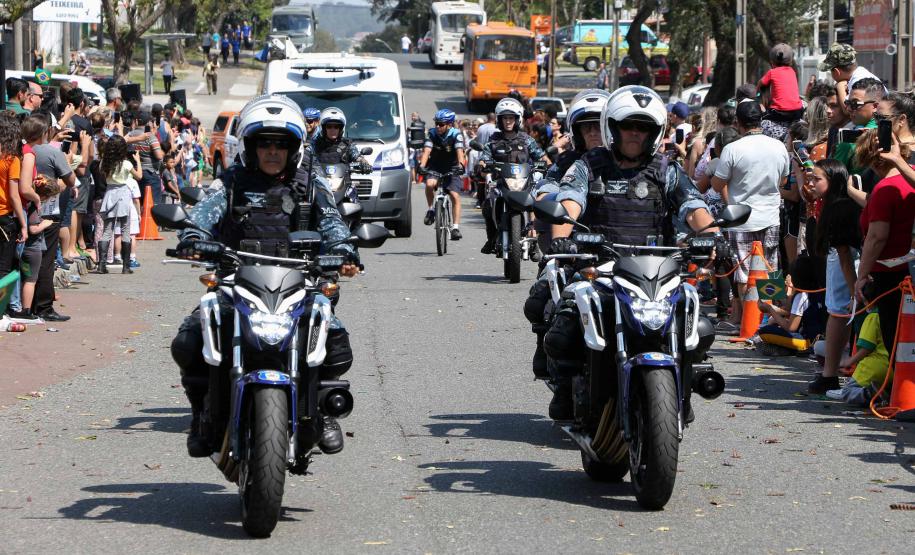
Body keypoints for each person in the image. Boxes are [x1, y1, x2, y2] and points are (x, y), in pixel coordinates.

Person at [170, 94, 358, 457]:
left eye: (281, 144)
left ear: (294, 148)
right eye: (264, 144)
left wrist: (344, 251)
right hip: (235, 281)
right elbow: (201, 217)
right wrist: (193, 238)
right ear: (250, 147)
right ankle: (201, 414)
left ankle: (322, 410)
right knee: (189, 340)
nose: (272, 151)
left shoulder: (311, 184)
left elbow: (334, 224)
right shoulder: (231, 183)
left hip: (300, 281)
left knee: (334, 338)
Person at [526, 86, 718, 419]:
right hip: (600, 266)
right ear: (613, 127)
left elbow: (693, 205)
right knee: (567, 319)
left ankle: (681, 390)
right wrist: (561, 239)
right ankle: (568, 385)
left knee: (696, 321)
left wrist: (713, 237)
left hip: (657, 268)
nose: (634, 132)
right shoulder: (588, 166)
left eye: (642, 127)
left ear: (654, 133)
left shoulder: (666, 170)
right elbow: (570, 203)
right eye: (628, 125)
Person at [711, 100, 790, 329]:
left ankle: (751, 323)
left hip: (741, 219)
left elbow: (717, 185)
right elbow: (783, 181)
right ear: (761, 121)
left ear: (738, 123)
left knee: (745, 273)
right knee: (771, 269)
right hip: (771, 216)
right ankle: (769, 320)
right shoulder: (778, 147)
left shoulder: (732, 149)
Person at [854, 130, 915, 381]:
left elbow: (877, 237)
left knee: (894, 334)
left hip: (890, 274)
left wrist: (862, 274)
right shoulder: (907, 180)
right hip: (905, 271)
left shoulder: (884, 189)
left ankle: (900, 393)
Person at [478, 97, 547, 254]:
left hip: (524, 183)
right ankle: (492, 238)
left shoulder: (527, 140)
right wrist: (483, 166)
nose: (508, 121)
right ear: (499, 120)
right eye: (504, 118)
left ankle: (534, 239)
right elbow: (484, 159)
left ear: (517, 119)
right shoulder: (493, 141)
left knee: (535, 204)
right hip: (501, 183)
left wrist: (546, 165)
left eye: (511, 118)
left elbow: (541, 157)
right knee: (488, 206)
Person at [28, 112, 77, 322]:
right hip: (48, 211)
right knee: (46, 260)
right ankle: (44, 306)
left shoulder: (23, 151)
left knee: (26, 259)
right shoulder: (51, 153)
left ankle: (24, 304)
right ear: (47, 130)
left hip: (24, 210)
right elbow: (71, 179)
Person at [755, 256, 827, 356]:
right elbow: (790, 312)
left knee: (764, 331)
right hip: (818, 337)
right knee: (774, 323)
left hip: (805, 340)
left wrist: (770, 309)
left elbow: (791, 327)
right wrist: (790, 291)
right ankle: (786, 349)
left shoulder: (801, 296)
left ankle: (792, 349)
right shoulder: (819, 291)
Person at [97, 137, 143, 274]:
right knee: (125, 229)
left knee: (107, 230)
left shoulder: (104, 163)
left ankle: (101, 264)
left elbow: (103, 175)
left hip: (110, 193)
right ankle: (126, 266)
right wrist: (138, 162)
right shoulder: (126, 164)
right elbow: (139, 176)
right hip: (123, 194)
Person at [826, 308, 890, 406]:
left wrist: (848, 362)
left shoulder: (873, 317)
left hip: (874, 367)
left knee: (847, 392)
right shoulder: (898, 314)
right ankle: (885, 394)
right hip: (894, 368)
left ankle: (871, 394)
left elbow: (867, 347)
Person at [306, 106, 373, 196]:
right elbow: (305, 155)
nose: (333, 130)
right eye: (329, 126)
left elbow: (357, 156)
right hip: (319, 187)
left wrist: (364, 163)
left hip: (344, 187)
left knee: (355, 204)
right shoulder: (315, 144)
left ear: (341, 129)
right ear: (323, 128)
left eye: (336, 127)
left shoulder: (347, 145)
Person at [419, 109, 465, 240]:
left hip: (452, 167)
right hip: (435, 166)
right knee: (429, 184)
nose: (438, 126)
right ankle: (431, 210)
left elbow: (460, 153)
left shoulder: (456, 134)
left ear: (449, 124)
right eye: (437, 124)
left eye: (441, 124)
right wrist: (422, 166)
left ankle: (455, 227)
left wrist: (461, 166)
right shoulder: (432, 133)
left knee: (454, 195)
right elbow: (427, 151)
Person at [817, 42, 882, 118]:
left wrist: (840, 87)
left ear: (837, 72)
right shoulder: (861, 73)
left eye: (831, 71)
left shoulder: (858, 82)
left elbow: (849, 109)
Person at [758, 43, 804, 140]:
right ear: (791, 61)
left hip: (779, 112)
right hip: (797, 111)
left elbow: (761, 83)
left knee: (763, 121)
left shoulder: (772, 72)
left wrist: (756, 93)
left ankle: (783, 136)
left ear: (771, 62)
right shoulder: (792, 71)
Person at [126, 111, 164, 206]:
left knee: (138, 203)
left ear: (136, 122)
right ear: (148, 123)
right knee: (152, 204)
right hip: (150, 173)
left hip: (134, 172)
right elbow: (159, 156)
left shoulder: (129, 135)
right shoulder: (150, 136)